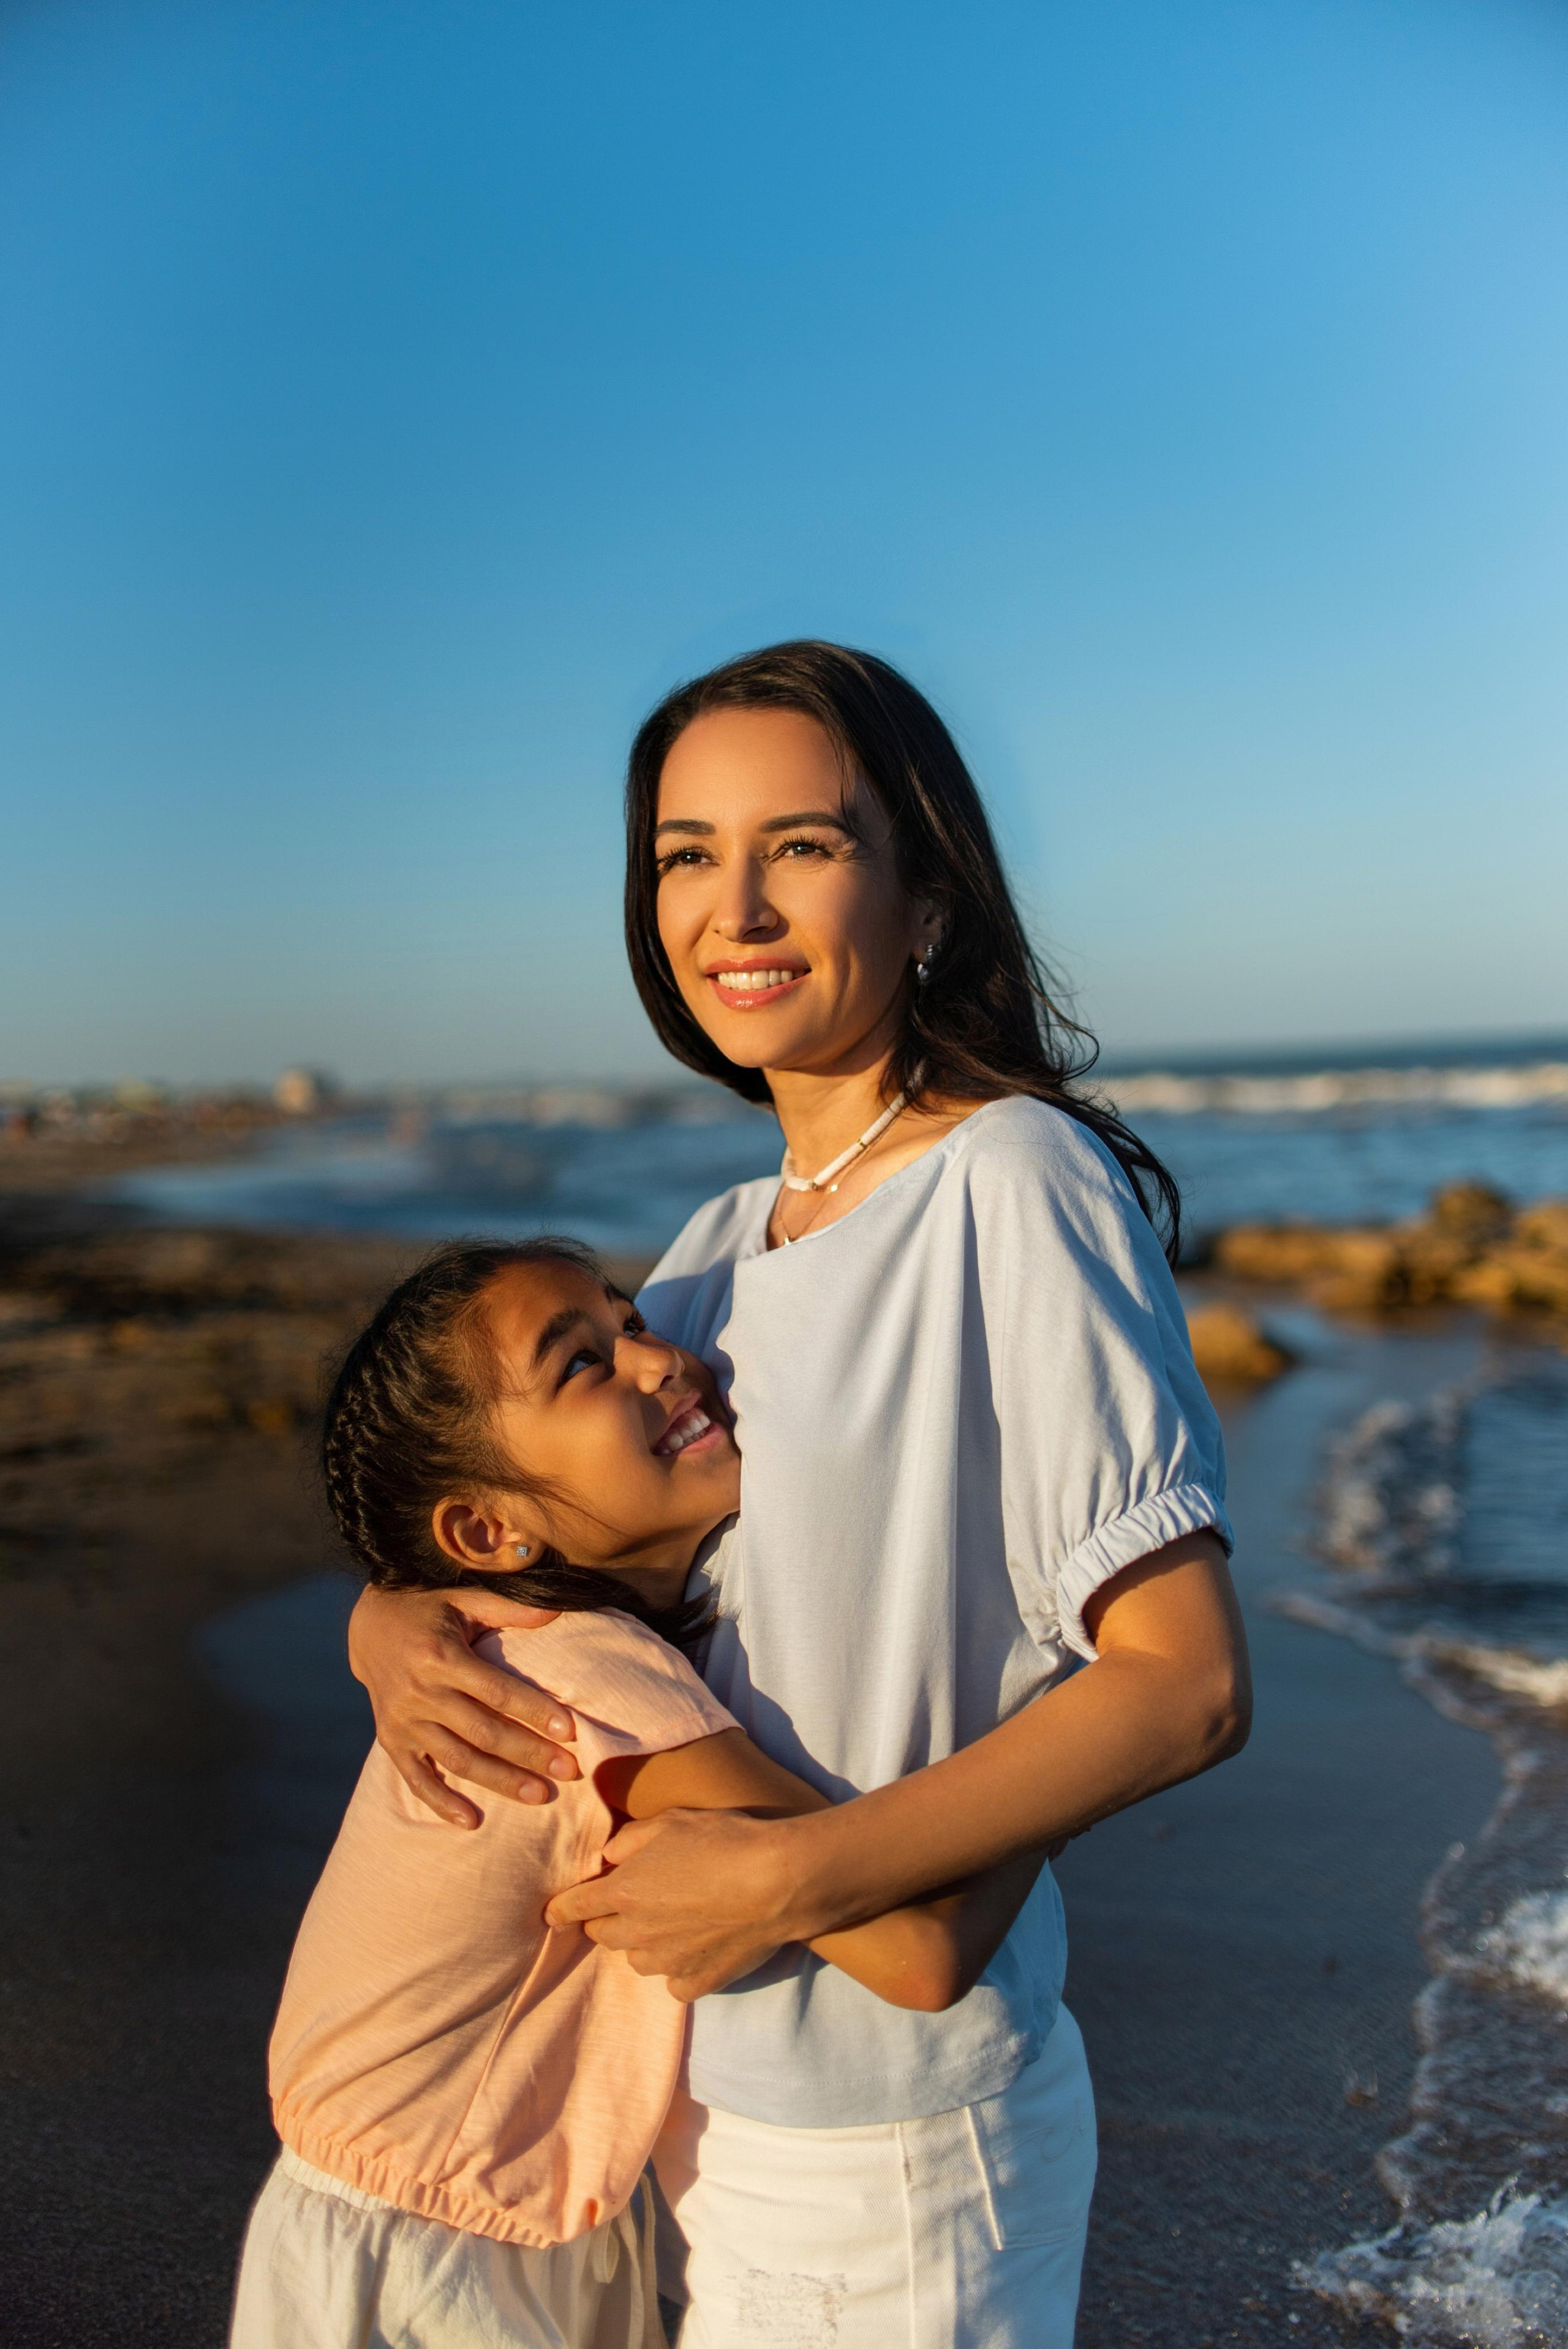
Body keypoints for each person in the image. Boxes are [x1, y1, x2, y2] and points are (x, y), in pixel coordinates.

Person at [347, 641, 1252, 2347]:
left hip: (907, 2138)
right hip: (700, 2102)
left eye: (804, 846)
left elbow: (1185, 1682)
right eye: (689, 853)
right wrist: (388, 1618)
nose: (735, 909)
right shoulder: (702, 1262)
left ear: (923, 893)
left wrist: (788, 1880)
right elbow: (537, 1529)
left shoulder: (1015, 1178)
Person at [232, 1236, 1042, 2349]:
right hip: (431, 2261)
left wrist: (382, 1610)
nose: (661, 1363)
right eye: (583, 1365)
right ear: (486, 1534)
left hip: (430, 2216)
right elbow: (920, 1951)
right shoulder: (577, 1674)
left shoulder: (515, 1638)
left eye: (634, 1325)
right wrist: (1083, 1715)